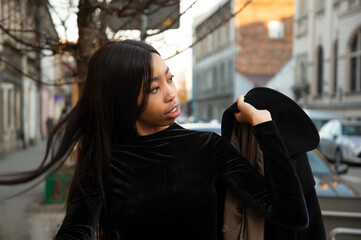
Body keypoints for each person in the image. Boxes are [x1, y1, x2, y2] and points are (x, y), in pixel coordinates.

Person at [0, 40, 308, 240]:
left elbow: (292, 215)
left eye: (170, 78)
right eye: (154, 88)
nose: (172, 93)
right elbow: (76, 230)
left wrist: (264, 126)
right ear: (121, 98)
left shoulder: (208, 148)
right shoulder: (103, 161)